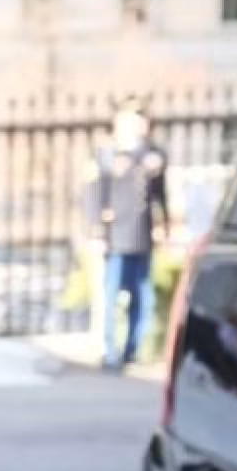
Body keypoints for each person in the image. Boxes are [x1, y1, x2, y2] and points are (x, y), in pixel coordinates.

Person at [97, 100, 170, 370]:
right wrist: (96, 228)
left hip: (142, 233)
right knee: (111, 294)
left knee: (141, 293)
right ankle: (110, 351)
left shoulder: (153, 154)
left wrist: (163, 224)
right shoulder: (108, 153)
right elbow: (96, 191)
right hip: (116, 234)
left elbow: (160, 194)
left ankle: (133, 349)